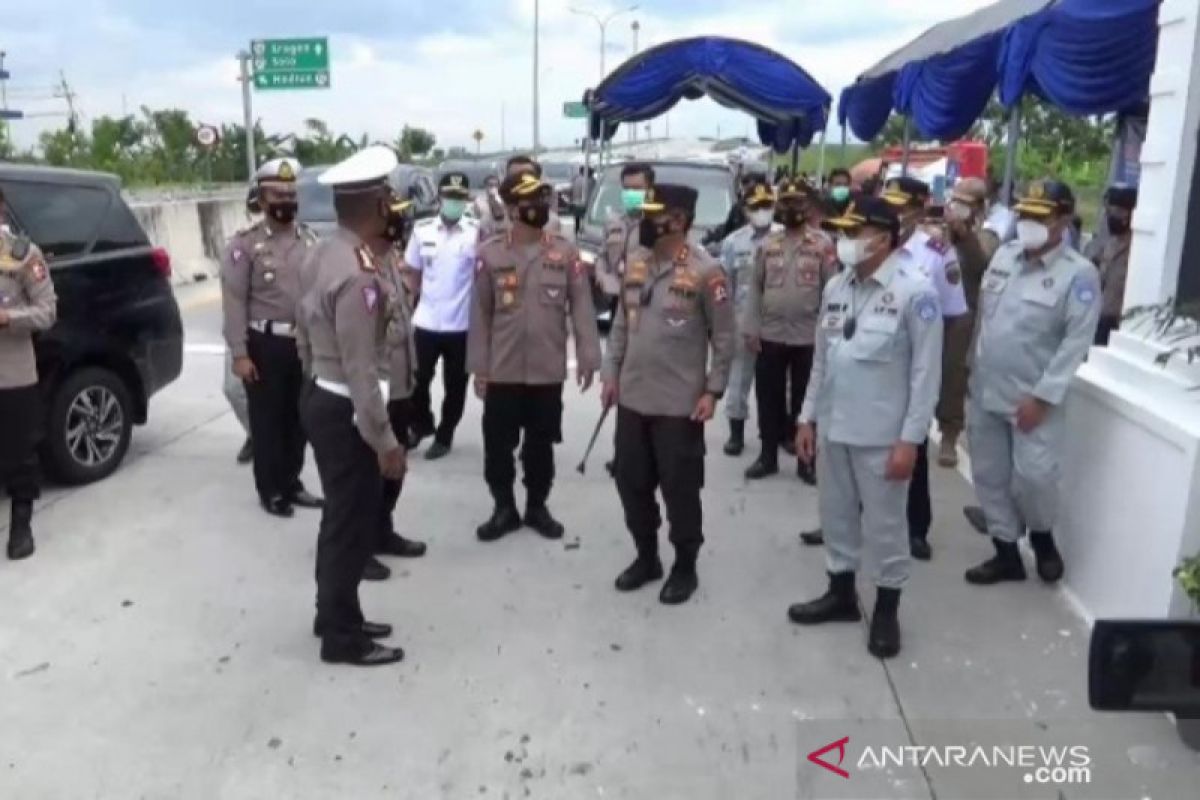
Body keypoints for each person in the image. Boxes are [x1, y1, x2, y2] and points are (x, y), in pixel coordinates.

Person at [789, 196, 943, 659]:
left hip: (881, 436)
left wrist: (910, 441)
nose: (845, 241)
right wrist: (807, 417)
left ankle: (887, 609)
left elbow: (925, 376)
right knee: (836, 516)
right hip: (834, 428)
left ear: (882, 237)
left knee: (886, 527)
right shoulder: (837, 286)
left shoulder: (916, 292)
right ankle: (840, 593)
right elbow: (822, 359)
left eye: (854, 233)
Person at [295, 146, 407, 667]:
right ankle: (342, 636)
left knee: (338, 520)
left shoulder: (324, 251)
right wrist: (383, 440)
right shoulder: (360, 274)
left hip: (323, 395)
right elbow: (362, 369)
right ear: (377, 204)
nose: (393, 203)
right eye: (387, 195)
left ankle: (334, 613)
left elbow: (301, 323)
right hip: (347, 411)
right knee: (351, 526)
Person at [601, 184, 736, 605]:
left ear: (678, 220)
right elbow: (622, 323)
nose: (644, 220)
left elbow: (725, 336)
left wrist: (713, 390)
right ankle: (647, 556)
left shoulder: (706, 271)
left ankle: (684, 565)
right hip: (633, 397)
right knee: (630, 483)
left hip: (679, 405)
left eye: (654, 213)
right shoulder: (636, 262)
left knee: (680, 490)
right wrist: (610, 373)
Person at [963, 180, 1101, 587]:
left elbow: (1076, 342)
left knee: (1035, 477)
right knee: (989, 474)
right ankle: (1005, 552)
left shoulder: (1079, 275)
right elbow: (986, 321)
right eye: (1025, 215)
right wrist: (972, 370)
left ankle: (1041, 536)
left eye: (1041, 217)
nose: (1029, 224)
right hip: (988, 387)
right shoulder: (1004, 257)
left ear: (1062, 221)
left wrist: (1043, 397)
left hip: (1032, 397)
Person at [468, 172, 602, 542]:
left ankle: (537, 507)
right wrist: (479, 368)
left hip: (546, 370)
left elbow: (582, 306)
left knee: (540, 446)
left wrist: (589, 355)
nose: (538, 207)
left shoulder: (564, 252)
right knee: (498, 448)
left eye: (541, 199)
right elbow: (479, 314)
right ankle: (503, 508)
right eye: (529, 202)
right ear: (511, 209)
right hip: (503, 370)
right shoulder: (490, 254)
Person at [221, 158, 323, 518]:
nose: (285, 200)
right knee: (268, 423)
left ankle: (292, 482)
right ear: (261, 200)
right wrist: (239, 352)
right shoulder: (244, 245)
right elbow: (233, 301)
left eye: (291, 193)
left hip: (304, 345)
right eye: (277, 194)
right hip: (264, 345)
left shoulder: (310, 240)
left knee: (300, 421)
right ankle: (271, 488)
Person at [879, 176, 967, 561]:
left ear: (918, 207)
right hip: (870, 360)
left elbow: (951, 314)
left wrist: (927, 360)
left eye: (902, 205)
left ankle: (916, 527)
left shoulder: (935, 252)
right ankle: (854, 514)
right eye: (890, 204)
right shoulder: (871, 245)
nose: (895, 212)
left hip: (911, 363)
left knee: (909, 441)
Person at [741, 177, 838, 483]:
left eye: (798, 203)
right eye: (786, 203)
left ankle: (805, 461)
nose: (792, 208)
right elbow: (755, 288)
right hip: (770, 334)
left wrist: (828, 335)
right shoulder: (768, 246)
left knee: (803, 403)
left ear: (808, 207)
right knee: (768, 399)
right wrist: (751, 328)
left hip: (808, 336)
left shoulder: (823, 245)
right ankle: (767, 455)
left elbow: (831, 291)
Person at [404, 172, 479, 461]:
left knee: (455, 386)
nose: (454, 203)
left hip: (461, 325)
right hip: (426, 321)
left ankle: (445, 435)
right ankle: (421, 423)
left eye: (460, 198)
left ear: (467, 200)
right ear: (439, 198)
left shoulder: (476, 233)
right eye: (450, 197)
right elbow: (412, 272)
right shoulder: (422, 230)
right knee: (416, 380)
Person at [373, 194, 429, 566]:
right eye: (394, 216)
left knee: (395, 469)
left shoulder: (391, 260)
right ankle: (359, 546)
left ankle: (382, 530)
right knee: (368, 476)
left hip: (400, 384)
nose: (402, 221)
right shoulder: (360, 267)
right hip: (376, 389)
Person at [0, 218, 57, 560]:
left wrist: (8, 318)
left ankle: (21, 525)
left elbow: (47, 311)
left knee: (20, 455)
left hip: (10, 373)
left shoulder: (21, 255)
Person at [718, 176, 782, 457]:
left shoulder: (786, 237)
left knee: (778, 385)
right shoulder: (733, 243)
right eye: (756, 206)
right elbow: (725, 284)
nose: (762, 210)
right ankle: (736, 434)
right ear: (745, 209)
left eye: (767, 204)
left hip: (778, 324)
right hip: (742, 322)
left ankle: (779, 433)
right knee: (738, 380)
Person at [224, 184, 261, 466]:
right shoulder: (239, 243)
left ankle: (275, 440)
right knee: (234, 389)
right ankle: (256, 434)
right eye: (253, 210)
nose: (257, 216)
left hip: (277, 331)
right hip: (242, 329)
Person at [595, 163, 655, 301]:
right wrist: (602, 276)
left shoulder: (656, 226)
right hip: (616, 296)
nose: (631, 194)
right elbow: (602, 255)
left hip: (645, 299)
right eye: (627, 189)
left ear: (649, 190)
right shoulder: (613, 222)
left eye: (637, 188)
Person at [1094, 185, 1137, 346]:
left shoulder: (1137, 246)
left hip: (1119, 322)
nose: (1112, 217)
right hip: (1099, 315)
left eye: (1118, 212)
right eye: (1110, 212)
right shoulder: (1110, 241)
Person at [570, 166, 589, 235]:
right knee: (584, 219)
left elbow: (571, 189)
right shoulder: (586, 180)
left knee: (577, 220)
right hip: (583, 203)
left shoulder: (575, 179)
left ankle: (576, 232)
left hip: (575, 202)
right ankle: (582, 232)